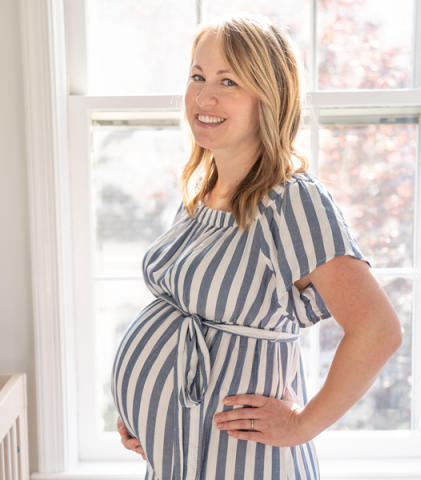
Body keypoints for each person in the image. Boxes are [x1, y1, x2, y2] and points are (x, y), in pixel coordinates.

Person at [111, 15, 402, 479]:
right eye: (197, 76)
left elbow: (378, 330)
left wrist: (301, 424)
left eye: (228, 81)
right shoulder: (200, 193)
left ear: (269, 97)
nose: (205, 97)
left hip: (243, 463)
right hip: (181, 458)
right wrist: (146, 415)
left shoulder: (292, 200)